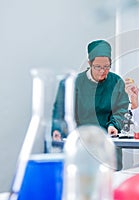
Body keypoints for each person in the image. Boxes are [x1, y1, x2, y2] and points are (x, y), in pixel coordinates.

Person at [52, 39, 130, 170]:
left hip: (107, 144)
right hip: (80, 144)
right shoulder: (73, 84)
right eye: (98, 67)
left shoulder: (116, 82)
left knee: (107, 182)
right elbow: (59, 111)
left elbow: (121, 110)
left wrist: (114, 125)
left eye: (106, 67)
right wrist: (57, 129)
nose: (102, 71)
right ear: (89, 63)